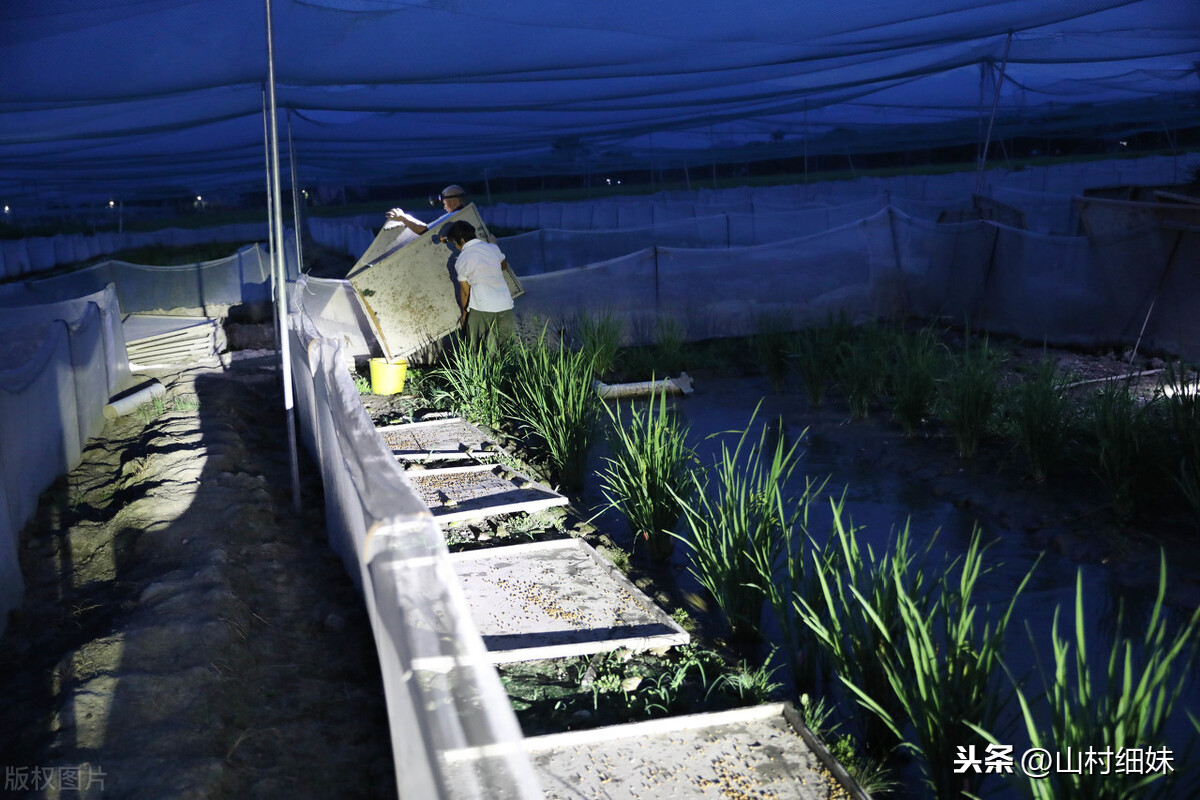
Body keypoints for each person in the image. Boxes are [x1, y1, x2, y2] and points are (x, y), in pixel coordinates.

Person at [443, 219, 515, 349]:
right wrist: (494, 246)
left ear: (462, 240)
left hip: (482, 307)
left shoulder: (462, 259)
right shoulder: (492, 248)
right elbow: (503, 266)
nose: (457, 247)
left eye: (455, 243)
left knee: (478, 349)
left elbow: (465, 291)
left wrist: (465, 313)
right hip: (505, 304)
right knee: (506, 349)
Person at [382, 184, 467, 237]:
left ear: (453, 202)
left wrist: (403, 218)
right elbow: (429, 227)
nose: (444, 207)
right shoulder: (464, 215)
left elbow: (424, 230)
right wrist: (407, 217)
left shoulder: (454, 216)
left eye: (444, 204)